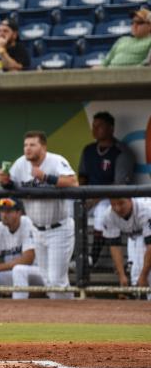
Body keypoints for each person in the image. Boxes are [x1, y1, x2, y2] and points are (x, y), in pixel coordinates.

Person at [0, 131, 79, 299]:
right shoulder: (20, 164)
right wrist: (5, 180)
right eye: (25, 145)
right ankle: (66, 314)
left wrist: (46, 177)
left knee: (57, 280)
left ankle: (69, 315)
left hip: (59, 228)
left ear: (43, 147)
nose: (28, 149)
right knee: (48, 280)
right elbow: (11, 185)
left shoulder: (55, 161)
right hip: (36, 230)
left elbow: (73, 182)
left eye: (32, 145)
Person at [79, 111, 135, 267]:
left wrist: (94, 199)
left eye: (100, 126)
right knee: (69, 209)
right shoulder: (88, 150)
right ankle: (72, 257)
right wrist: (82, 196)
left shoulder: (121, 152)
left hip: (109, 200)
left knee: (102, 212)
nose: (95, 129)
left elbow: (119, 186)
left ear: (111, 129)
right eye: (94, 126)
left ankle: (91, 258)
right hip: (88, 197)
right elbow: (82, 176)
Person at [103, 197, 151, 299]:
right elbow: (114, 245)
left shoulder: (146, 210)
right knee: (135, 274)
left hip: (145, 235)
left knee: (145, 276)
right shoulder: (109, 214)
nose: (117, 208)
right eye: (113, 204)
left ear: (130, 200)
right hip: (135, 236)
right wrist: (121, 276)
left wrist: (144, 276)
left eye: (121, 203)